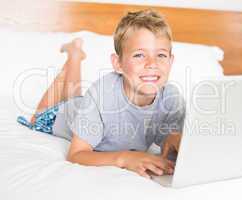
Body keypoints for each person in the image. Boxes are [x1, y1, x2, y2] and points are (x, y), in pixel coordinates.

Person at [17, 9, 185, 179]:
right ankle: (73, 57)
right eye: (139, 55)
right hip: (59, 114)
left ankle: (75, 54)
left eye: (161, 55)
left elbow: (173, 142)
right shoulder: (101, 94)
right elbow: (76, 154)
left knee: (75, 98)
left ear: (171, 61)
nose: (152, 64)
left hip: (82, 106)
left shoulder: (171, 99)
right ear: (118, 63)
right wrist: (124, 158)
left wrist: (177, 140)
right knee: (44, 113)